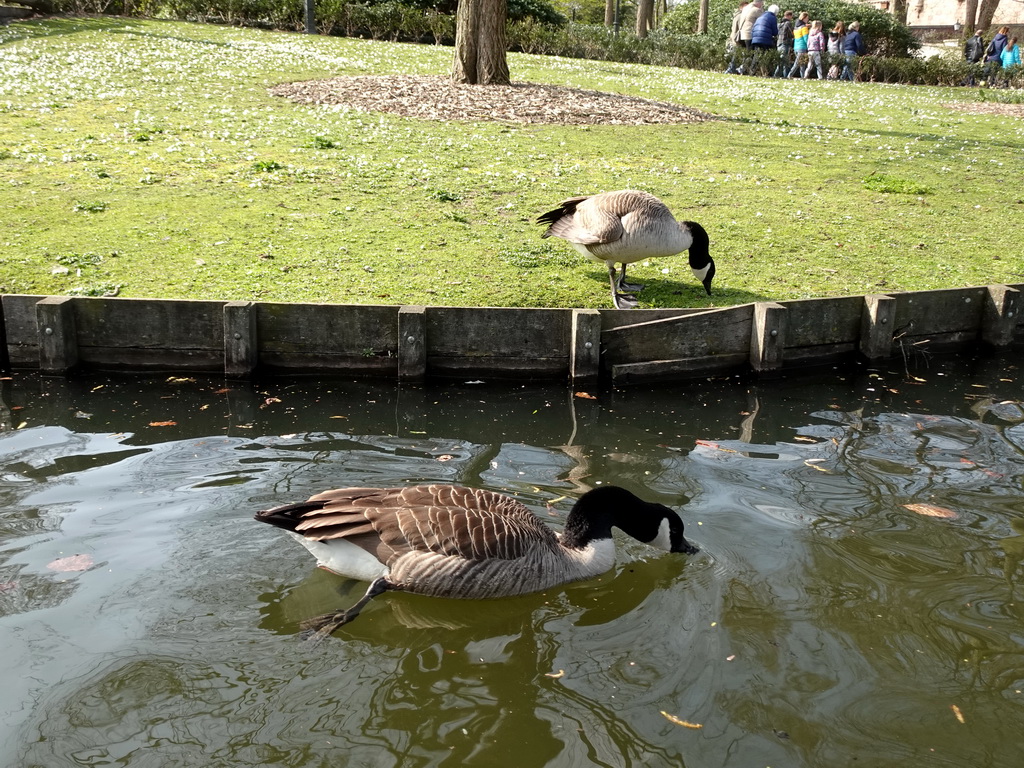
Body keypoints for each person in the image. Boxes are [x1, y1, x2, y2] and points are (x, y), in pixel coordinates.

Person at [750, 4, 779, 75]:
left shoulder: (761, 16)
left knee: (757, 55)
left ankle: (752, 71)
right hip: (765, 39)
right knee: (766, 55)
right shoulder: (772, 17)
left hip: (755, 37)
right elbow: (775, 32)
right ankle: (767, 72)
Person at [737, 0, 764, 73]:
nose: (762, 5)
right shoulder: (756, 10)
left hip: (743, 33)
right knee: (751, 54)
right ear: (759, 3)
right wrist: (762, 9)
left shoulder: (747, 8)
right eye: (762, 3)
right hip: (750, 33)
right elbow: (763, 18)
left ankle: (743, 69)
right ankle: (744, 69)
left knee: (747, 53)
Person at [724, 1, 749, 74]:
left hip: (734, 38)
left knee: (736, 56)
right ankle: (731, 69)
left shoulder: (736, 15)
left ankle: (731, 69)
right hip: (738, 39)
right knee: (736, 56)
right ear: (741, 7)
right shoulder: (741, 16)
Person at [787, 12, 810, 78]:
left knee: (802, 64)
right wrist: (809, 46)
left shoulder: (796, 27)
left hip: (796, 47)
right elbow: (806, 38)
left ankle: (803, 77)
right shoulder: (804, 28)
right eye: (807, 18)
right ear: (804, 18)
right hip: (802, 47)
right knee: (797, 64)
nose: (807, 20)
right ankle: (789, 75)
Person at [774, 10, 795, 77]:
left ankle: (780, 75)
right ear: (789, 16)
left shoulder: (779, 23)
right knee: (784, 61)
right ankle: (779, 75)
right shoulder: (788, 23)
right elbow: (791, 33)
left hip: (779, 42)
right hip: (785, 42)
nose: (791, 18)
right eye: (791, 16)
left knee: (780, 59)